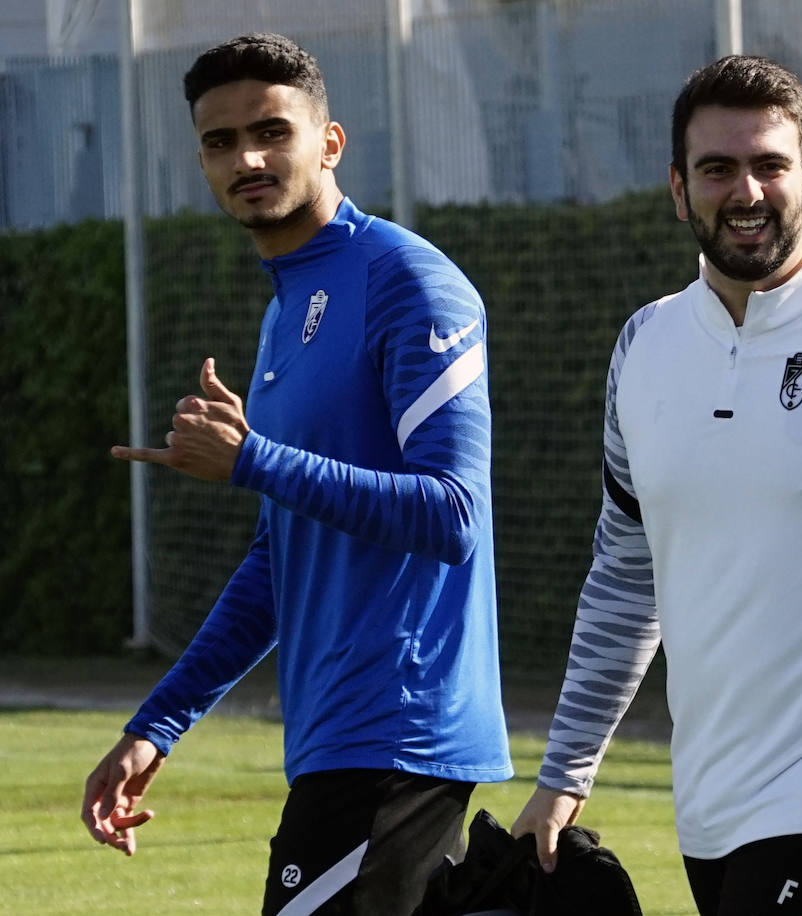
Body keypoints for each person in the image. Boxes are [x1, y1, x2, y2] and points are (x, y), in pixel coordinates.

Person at [511, 55, 802, 916]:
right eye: (718, 169)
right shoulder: (642, 346)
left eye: (770, 165)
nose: (746, 191)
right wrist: (565, 776)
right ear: (679, 189)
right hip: (708, 808)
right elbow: (626, 573)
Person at [80, 33, 512, 915]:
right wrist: (158, 723)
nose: (246, 157)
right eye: (218, 140)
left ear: (330, 142)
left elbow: (454, 514)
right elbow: (283, 559)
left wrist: (254, 459)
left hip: (399, 733)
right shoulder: (286, 315)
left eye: (272, 130)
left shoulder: (409, 281)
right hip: (337, 743)